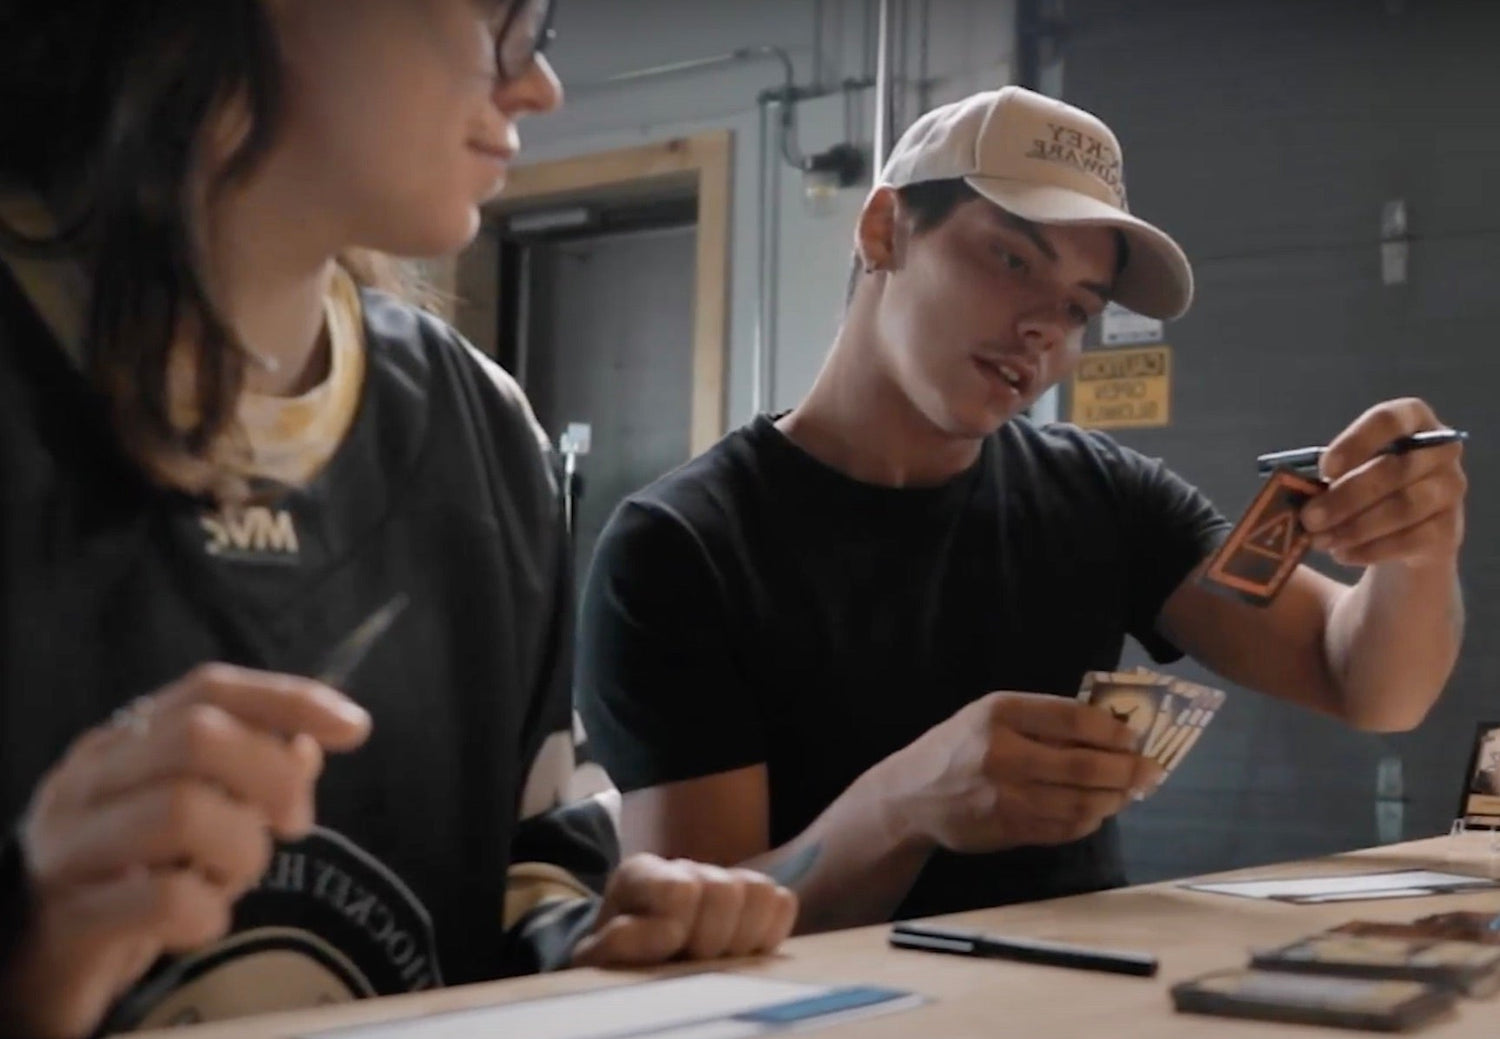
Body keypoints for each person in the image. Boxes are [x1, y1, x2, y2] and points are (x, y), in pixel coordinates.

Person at [0, 2, 797, 1035]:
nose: (538, 83)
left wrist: (596, 943)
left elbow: (526, 868)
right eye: (499, 17)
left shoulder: (485, 429)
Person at [576, 85, 1468, 935]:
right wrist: (907, 803)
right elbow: (693, 938)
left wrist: (1418, 553)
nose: (1048, 327)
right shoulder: (681, 547)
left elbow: (1365, 682)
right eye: (1013, 259)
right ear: (885, 229)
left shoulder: (1101, 495)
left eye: (1081, 306)